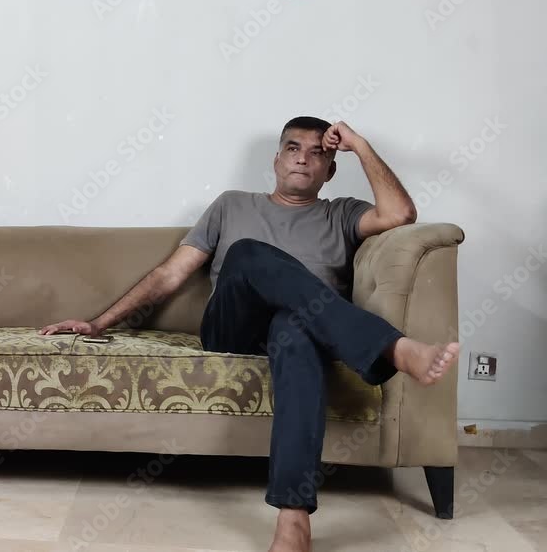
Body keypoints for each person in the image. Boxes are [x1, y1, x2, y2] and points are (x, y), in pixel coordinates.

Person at [39, 117, 460, 552]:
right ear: (276, 160)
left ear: (331, 169)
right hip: (233, 328)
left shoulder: (342, 213)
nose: (303, 158)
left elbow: (401, 214)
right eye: (293, 148)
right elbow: (169, 275)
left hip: (302, 332)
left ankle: (293, 519)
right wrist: (100, 322)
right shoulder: (232, 205)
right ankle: (391, 346)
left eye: (318, 152)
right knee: (247, 254)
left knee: (295, 329)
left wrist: (360, 144)